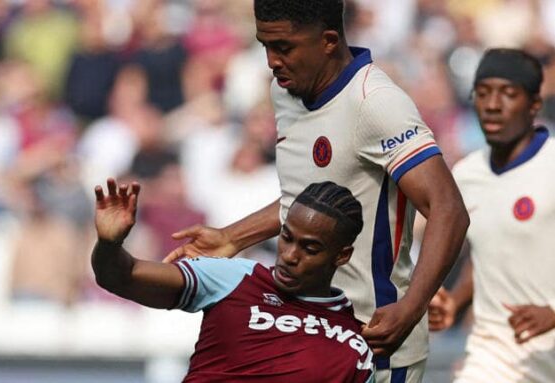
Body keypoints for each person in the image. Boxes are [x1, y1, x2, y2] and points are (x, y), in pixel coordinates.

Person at [162, 1, 470, 381]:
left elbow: (448, 208)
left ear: (327, 40)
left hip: (373, 341)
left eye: (284, 47)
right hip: (304, 336)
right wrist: (232, 236)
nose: (272, 61)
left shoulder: (374, 103)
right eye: (265, 46)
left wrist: (410, 306)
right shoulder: (284, 93)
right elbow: (307, 197)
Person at [92, 178, 375, 382]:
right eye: (286, 238)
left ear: (342, 256)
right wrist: (109, 244)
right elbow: (121, 277)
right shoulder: (234, 277)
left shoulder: (357, 343)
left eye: (310, 249)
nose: (289, 255)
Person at [428, 48, 555, 382]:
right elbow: (489, 251)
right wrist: (455, 301)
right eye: (482, 94)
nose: (492, 105)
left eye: (508, 94)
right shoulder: (468, 174)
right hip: (494, 358)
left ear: (534, 105)